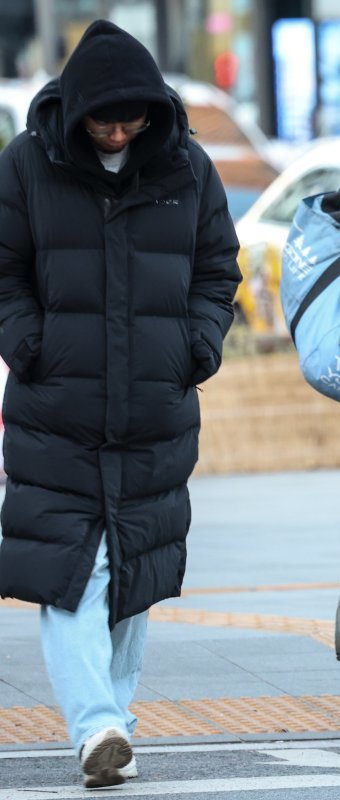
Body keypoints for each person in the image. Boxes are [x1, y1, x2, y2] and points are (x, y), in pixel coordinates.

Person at [0, 20, 240, 788]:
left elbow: (216, 270)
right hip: (56, 407)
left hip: (153, 410)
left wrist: (196, 348)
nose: (116, 130)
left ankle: (113, 727)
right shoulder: (25, 166)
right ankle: (97, 725)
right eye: (103, 118)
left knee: (133, 573)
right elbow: (3, 272)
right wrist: (29, 346)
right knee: (74, 570)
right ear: (73, 112)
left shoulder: (188, 169)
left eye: (131, 117)